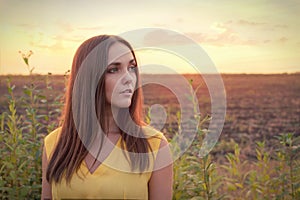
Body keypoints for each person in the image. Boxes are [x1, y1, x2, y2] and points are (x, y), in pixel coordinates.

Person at [41, 35, 173, 200]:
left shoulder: (154, 145)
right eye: (113, 69)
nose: (128, 78)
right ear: (88, 79)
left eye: (132, 67)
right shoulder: (54, 143)